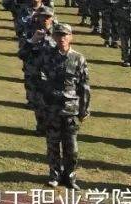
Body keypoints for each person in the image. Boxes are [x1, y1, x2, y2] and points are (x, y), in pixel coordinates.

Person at [37, 23, 91, 189]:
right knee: (53, 145)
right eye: (58, 35)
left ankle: (70, 177)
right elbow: (40, 81)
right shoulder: (47, 57)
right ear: (53, 37)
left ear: (71, 37)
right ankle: (54, 175)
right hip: (52, 108)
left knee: (71, 148)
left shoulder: (78, 58)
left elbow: (84, 86)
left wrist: (84, 109)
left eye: (65, 35)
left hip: (71, 110)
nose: (62, 38)